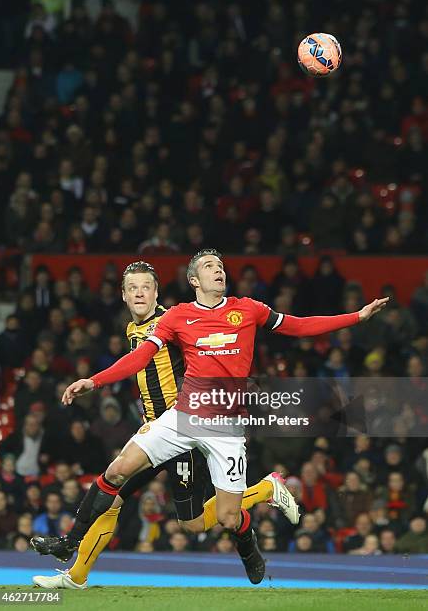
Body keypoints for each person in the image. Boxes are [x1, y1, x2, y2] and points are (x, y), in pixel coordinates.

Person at [32, 250, 387, 585]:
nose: (219, 270)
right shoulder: (176, 317)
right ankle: (71, 553)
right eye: (209, 266)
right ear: (193, 280)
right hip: (179, 419)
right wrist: (93, 381)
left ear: (157, 292)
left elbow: (298, 326)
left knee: (217, 520)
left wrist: (356, 317)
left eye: (220, 265)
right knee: (115, 474)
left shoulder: (248, 309)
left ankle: (254, 517)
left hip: (225, 427)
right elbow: (140, 359)